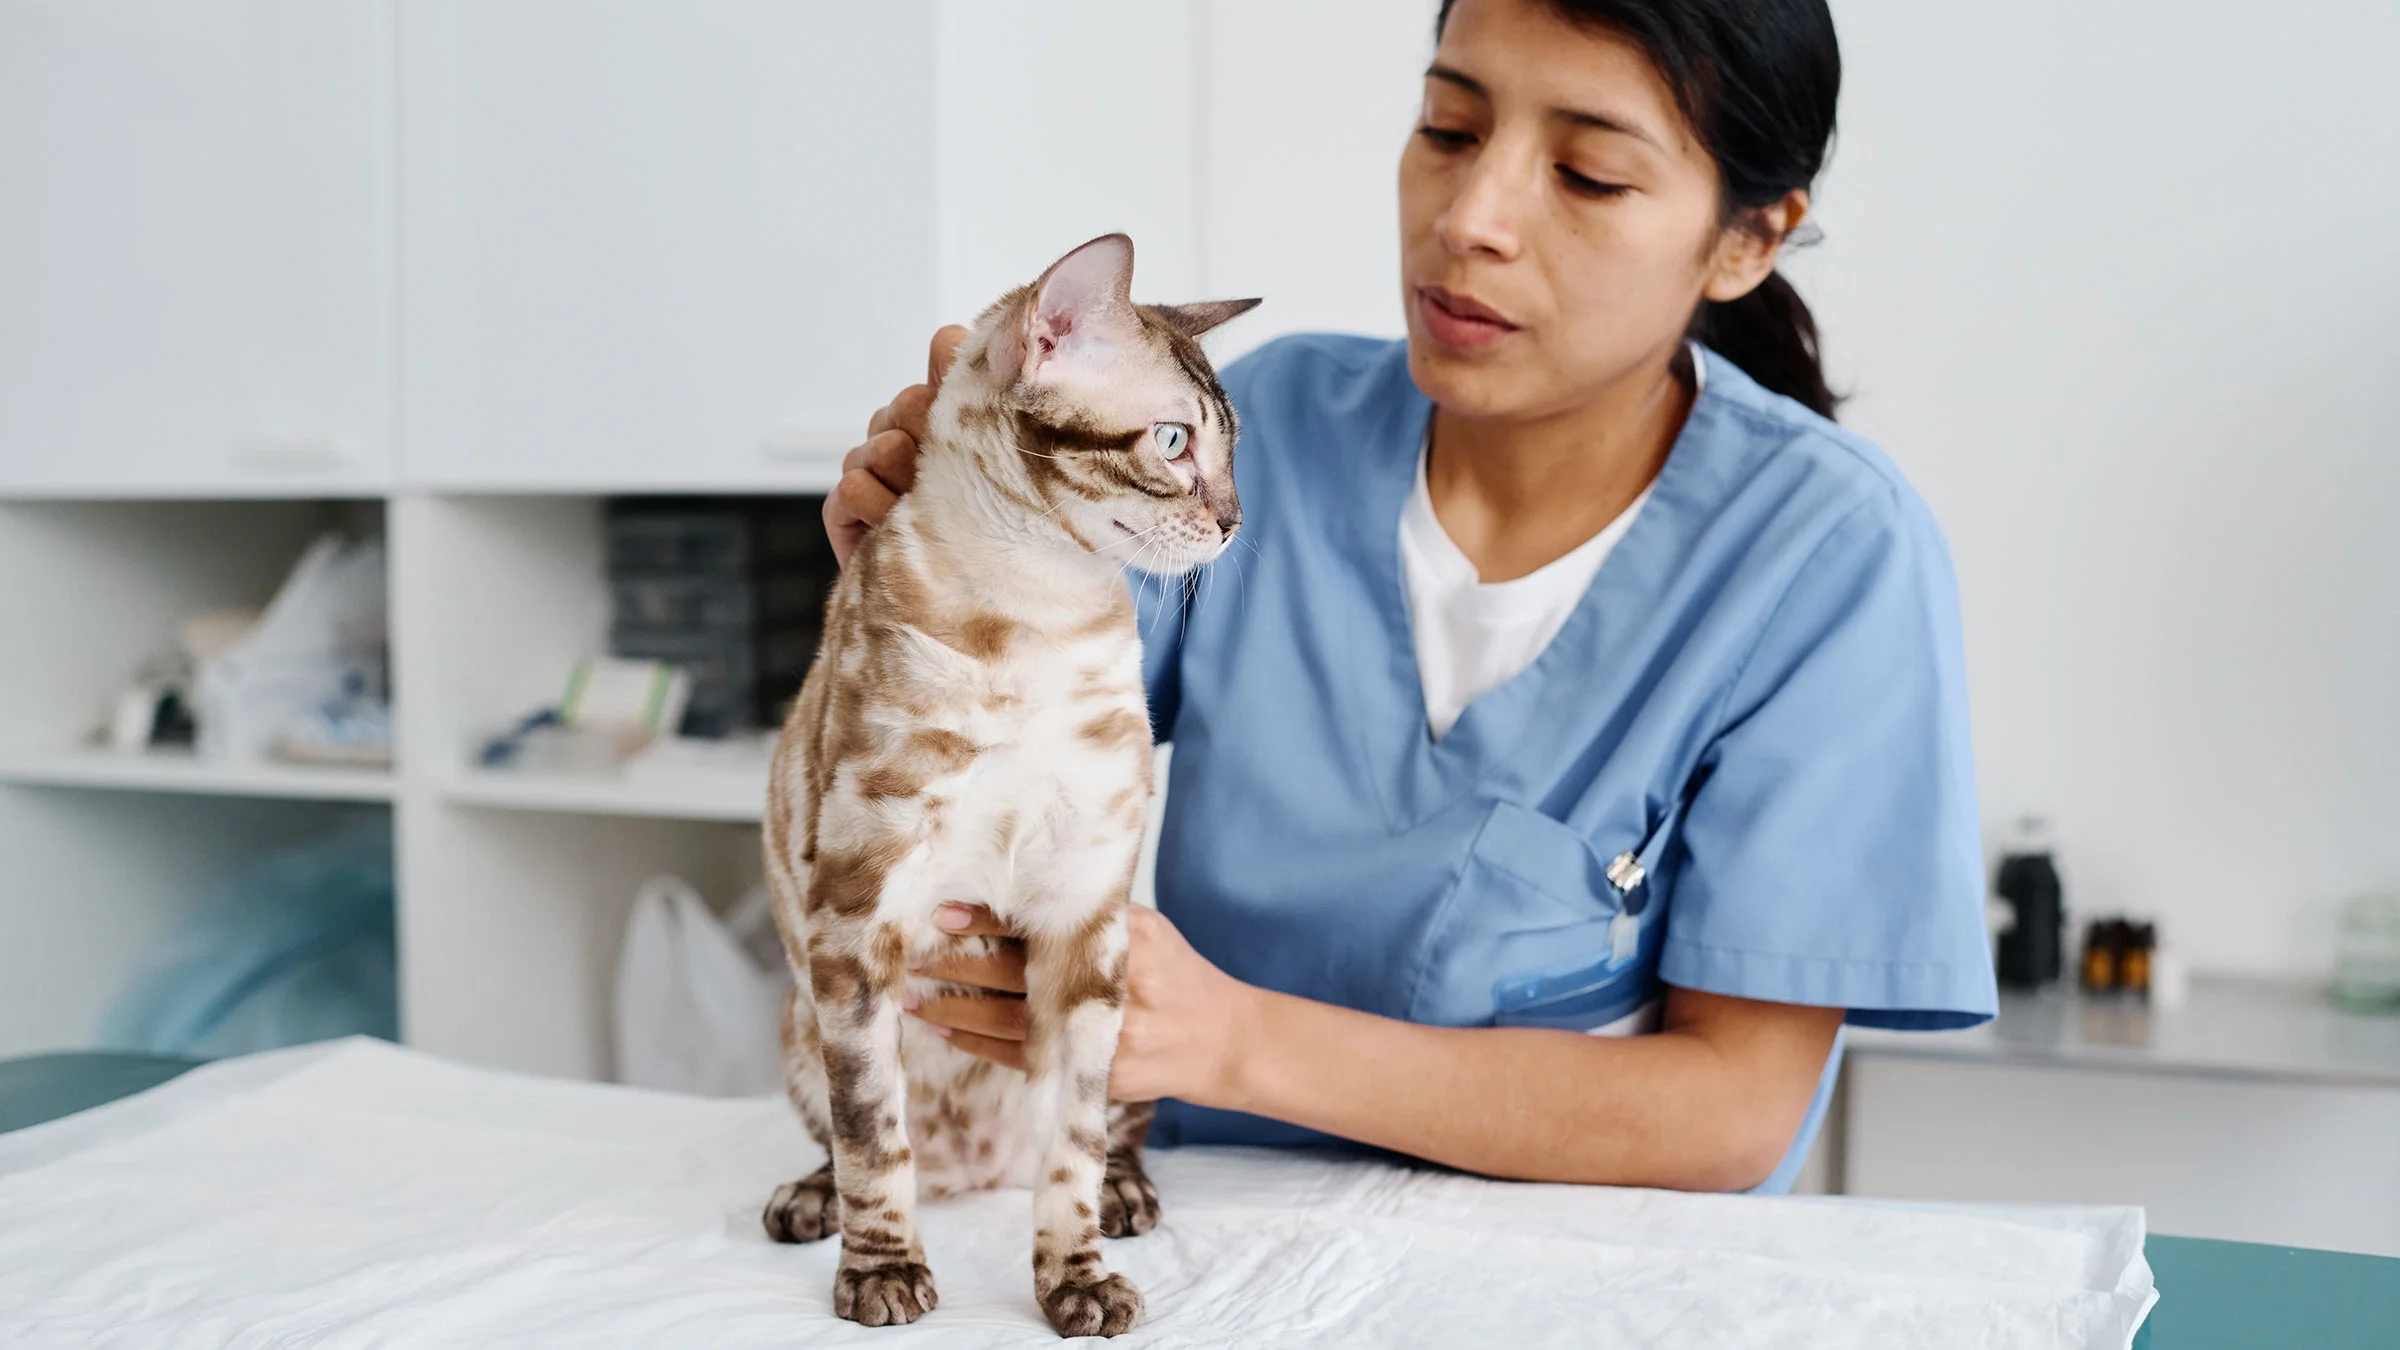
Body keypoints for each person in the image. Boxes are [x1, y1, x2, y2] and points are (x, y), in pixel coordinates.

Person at [821, 0, 1994, 1193]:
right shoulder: (1260, 433)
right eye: (1448, 129)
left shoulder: (1826, 552)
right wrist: (939, 558)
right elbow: (1004, 744)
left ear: (1748, 239)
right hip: (1208, 1225)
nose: (1470, 219)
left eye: (1587, 176)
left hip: (1579, 1261)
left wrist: (1240, 1044)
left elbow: (1734, 1110)